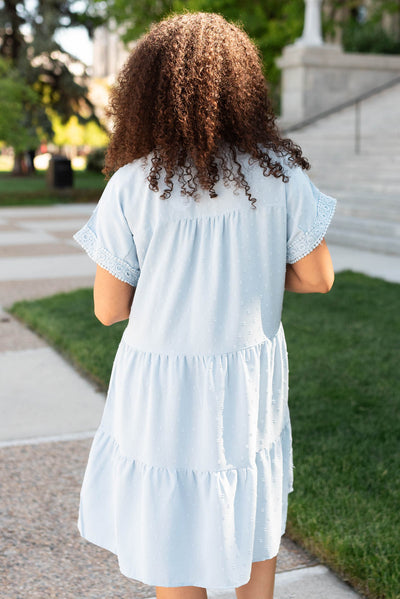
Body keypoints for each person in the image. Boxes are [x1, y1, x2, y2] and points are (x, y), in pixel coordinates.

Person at [73, 12, 336, 599]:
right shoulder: (284, 176)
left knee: (176, 528)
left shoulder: (132, 185)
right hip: (247, 378)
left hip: (162, 383)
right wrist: (256, 274)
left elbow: (108, 308)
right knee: (252, 502)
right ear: (244, 88)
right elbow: (318, 279)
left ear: (147, 92)